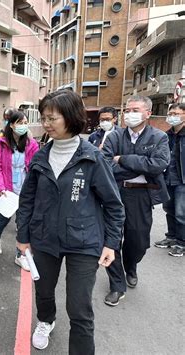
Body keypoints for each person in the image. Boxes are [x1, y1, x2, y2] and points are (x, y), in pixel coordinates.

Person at [16, 90, 125, 354]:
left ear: (71, 117)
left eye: (52, 118)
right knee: (43, 291)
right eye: (44, 118)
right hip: (44, 238)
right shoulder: (41, 156)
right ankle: (45, 321)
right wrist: (22, 236)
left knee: (79, 308)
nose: (46, 124)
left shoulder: (93, 157)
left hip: (84, 242)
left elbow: (113, 205)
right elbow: (27, 200)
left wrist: (111, 243)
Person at [102, 95, 170, 306]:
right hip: (115, 194)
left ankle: (131, 266)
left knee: (138, 241)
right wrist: (139, 166)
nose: (129, 114)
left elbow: (158, 164)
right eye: (127, 109)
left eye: (135, 110)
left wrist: (123, 159)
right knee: (111, 239)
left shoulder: (159, 137)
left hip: (142, 195)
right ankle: (117, 284)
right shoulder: (114, 137)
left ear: (148, 113)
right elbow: (104, 165)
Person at [0, 111, 39, 267]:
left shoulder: (32, 144)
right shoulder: (1, 143)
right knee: (3, 219)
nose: (23, 126)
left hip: (25, 189)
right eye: (20, 123)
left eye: (25, 122)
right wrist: (1, 187)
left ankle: (20, 255)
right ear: (11, 125)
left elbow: (35, 166)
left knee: (23, 222)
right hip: (7, 189)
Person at [154, 103, 185, 257]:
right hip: (168, 179)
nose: (172, 116)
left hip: (182, 181)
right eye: (171, 113)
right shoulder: (166, 135)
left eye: (176, 113)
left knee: (181, 213)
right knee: (169, 210)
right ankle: (171, 237)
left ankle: (181, 243)